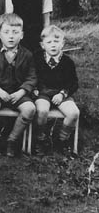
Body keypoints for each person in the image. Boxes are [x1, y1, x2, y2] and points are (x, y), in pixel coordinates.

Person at [0, 13, 37, 157]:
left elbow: (32, 78)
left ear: (22, 35)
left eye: (15, 32)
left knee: (29, 109)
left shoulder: (27, 55)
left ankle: (11, 140)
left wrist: (21, 92)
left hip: (17, 93)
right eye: (6, 32)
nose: (11, 36)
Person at [33, 25, 80, 156]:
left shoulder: (67, 62)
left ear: (63, 43)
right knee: (41, 110)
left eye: (56, 41)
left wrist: (63, 94)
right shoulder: (37, 59)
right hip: (42, 93)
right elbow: (31, 76)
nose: (53, 45)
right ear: (43, 45)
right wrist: (34, 89)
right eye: (49, 42)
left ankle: (62, 140)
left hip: (61, 93)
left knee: (73, 113)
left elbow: (73, 82)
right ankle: (41, 139)